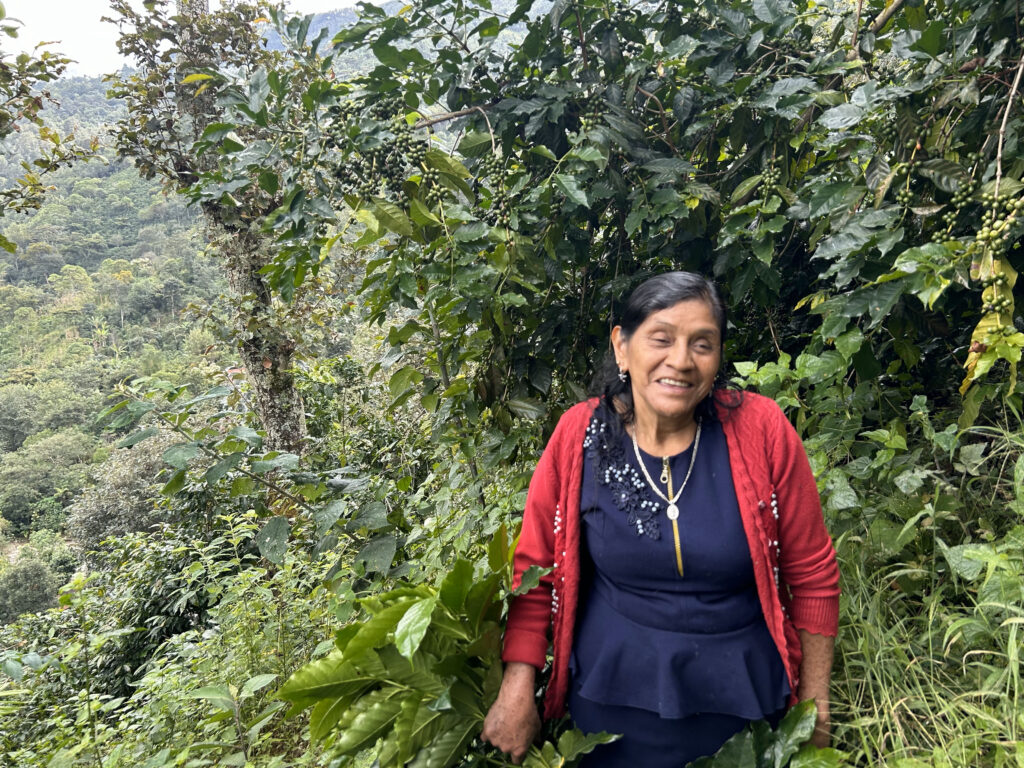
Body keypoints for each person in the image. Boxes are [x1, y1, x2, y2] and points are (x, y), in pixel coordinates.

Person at [480, 272, 840, 766]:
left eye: (702, 344)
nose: (681, 361)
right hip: (612, 708)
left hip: (746, 707)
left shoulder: (761, 430)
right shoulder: (578, 436)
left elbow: (813, 574)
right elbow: (535, 571)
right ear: (622, 347)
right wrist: (517, 687)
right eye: (661, 338)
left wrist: (815, 707)